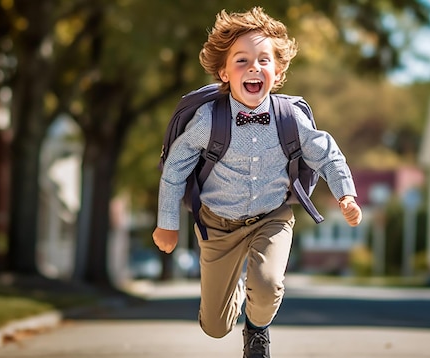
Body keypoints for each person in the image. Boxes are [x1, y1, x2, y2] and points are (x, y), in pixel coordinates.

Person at [152, 7, 362, 358]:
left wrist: (346, 195)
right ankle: (233, 287)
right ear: (224, 71)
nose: (254, 67)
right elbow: (174, 169)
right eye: (242, 60)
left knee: (267, 285)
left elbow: (327, 153)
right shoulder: (208, 120)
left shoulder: (288, 118)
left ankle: (257, 329)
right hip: (218, 224)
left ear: (277, 72)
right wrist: (167, 224)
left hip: (272, 216)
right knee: (215, 327)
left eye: (264, 60)